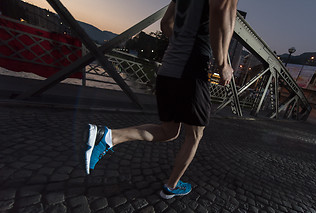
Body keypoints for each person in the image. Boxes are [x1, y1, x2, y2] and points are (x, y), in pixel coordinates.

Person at [85, 0, 238, 199]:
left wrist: (181, 42)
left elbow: (166, 24)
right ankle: (171, 186)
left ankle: (108, 136)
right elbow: (220, 13)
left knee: (168, 131)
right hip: (191, 68)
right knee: (195, 135)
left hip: (168, 68)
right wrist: (223, 63)